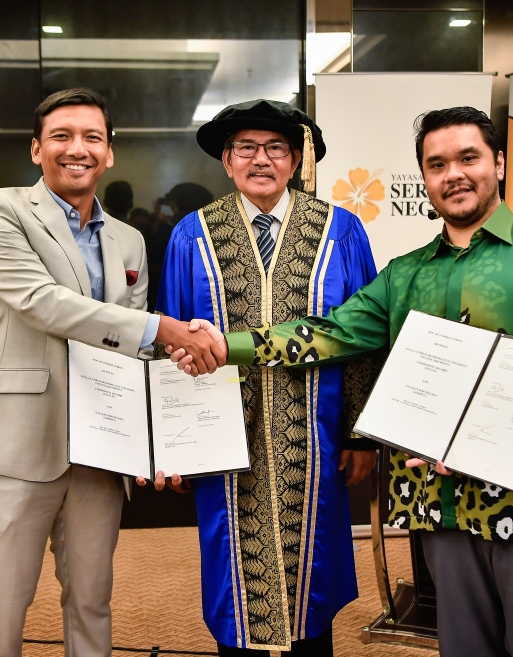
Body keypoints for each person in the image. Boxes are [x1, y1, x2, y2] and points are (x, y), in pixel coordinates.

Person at [175, 107, 513, 657]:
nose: (453, 173)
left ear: (498, 164)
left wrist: (479, 433)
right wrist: (220, 344)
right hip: (439, 496)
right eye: (437, 163)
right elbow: (329, 334)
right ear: (424, 178)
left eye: (468, 158)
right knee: (464, 645)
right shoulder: (407, 273)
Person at [0, 87, 225, 657]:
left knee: (93, 597)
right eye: (61, 136)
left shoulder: (127, 239)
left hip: (104, 447)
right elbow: (40, 302)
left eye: (92, 138)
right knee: (5, 597)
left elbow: (131, 351)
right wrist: (161, 328)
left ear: (109, 153)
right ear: (36, 149)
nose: (77, 149)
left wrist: (163, 439)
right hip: (19, 439)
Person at [147, 99, 380, 655]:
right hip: (224, 442)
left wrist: (359, 435)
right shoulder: (193, 235)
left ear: (296, 159)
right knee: (232, 577)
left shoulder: (340, 231)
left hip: (316, 441)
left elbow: (364, 337)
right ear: (226, 161)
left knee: (312, 580)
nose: (261, 159)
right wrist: (170, 444)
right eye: (246, 148)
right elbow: (167, 341)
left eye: (276, 147)